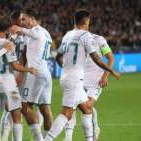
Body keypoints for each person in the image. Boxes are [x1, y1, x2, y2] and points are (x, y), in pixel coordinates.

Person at [44, 10, 120, 141]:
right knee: (66, 113)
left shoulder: (68, 35)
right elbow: (96, 58)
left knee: (87, 108)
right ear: (86, 21)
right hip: (75, 80)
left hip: (69, 78)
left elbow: (57, 57)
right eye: (89, 21)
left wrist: (68, 69)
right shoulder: (86, 36)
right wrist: (111, 71)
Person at [9, 9, 53, 141]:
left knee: (24, 106)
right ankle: (48, 138)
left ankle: (39, 138)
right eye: (21, 20)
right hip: (46, 73)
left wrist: (16, 27)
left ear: (32, 19)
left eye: (24, 19)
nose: (22, 22)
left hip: (36, 73)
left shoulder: (37, 32)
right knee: (45, 109)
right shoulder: (46, 33)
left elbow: (22, 31)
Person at [63, 34, 114, 141]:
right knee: (73, 105)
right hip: (81, 78)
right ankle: (68, 138)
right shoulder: (75, 39)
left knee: (88, 105)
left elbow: (110, 58)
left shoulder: (100, 40)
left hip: (96, 80)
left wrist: (105, 76)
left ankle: (95, 126)